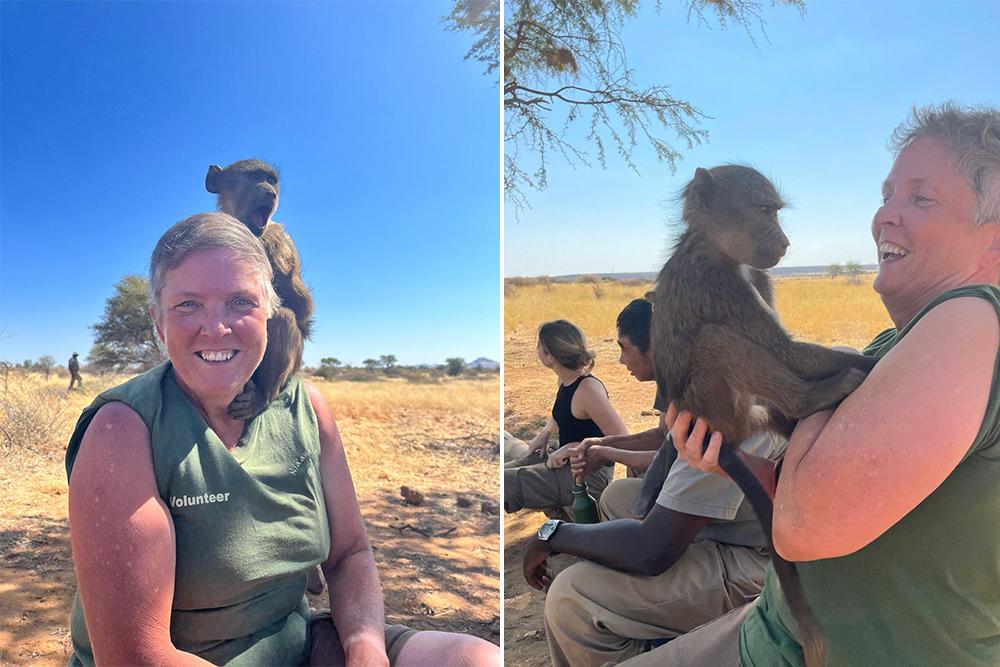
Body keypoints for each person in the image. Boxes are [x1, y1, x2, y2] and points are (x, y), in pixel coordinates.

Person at [627, 103, 1000, 667]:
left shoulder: (971, 315)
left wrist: (827, 386)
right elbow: (845, 488)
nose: (884, 218)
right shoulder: (896, 342)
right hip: (779, 629)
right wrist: (736, 459)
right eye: (887, 195)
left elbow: (803, 525)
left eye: (921, 198)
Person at [65, 213, 498, 666]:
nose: (216, 327)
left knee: (475, 659)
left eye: (240, 302)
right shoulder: (123, 428)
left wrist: (365, 650)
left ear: (271, 312)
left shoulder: (305, 408)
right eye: (188, 305)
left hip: (296, 648)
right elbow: (136, 657)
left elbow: (350, 553)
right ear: (158, 322)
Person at [525, 299, 785, 667]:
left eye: (623, 348)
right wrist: (599, 447)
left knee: (571, 595)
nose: (620, 361)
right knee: (619, 497)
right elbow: (664, 450)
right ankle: (656, 628)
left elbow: (652, 549)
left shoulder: (719, 405)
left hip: (759, 565)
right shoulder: (703, 379)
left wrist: (551, 534)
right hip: (735, 528)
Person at [504, 319, 628, 516]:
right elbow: (561, 414)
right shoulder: (566, 379)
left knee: (506, 483)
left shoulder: (587, 389)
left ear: (549, 355)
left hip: (590, 475)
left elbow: (622, 440)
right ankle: (561, 516)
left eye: (539, 345)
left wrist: (572, 448)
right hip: (565, 462)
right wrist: (545, 432)